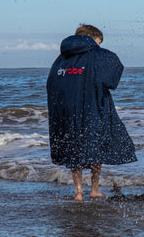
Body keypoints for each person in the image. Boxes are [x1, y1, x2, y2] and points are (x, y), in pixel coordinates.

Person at [47, 24, 137, 201]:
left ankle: (78, 191)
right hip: (92, 107)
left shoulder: (62, 58)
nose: (99, 47)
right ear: (91, 38)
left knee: (74, 147)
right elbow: (113, 75)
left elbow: (52, 84)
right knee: (95, 146)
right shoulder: (97, 54)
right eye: (98, 43)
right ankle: (94, 188)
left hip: (66, 109)